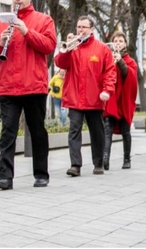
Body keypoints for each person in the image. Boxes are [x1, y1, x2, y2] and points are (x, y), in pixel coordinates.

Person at [0, 0, 57, 189]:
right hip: (8, 86)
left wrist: (27, 31)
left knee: (37, 131)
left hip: (33, 85)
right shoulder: (1, 24)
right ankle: (6, 177)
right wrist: (0, 43)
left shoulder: (43, 20)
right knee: (7, 132)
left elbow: (49, 45)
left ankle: (41, 174)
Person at [55, 16, 116, 177]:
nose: (80, 30)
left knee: (97, 132)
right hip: (74, 98)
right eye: (78, 26)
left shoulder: (102, 49)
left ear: (91, 29)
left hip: (94, 98)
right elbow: (60, 63)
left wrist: (107, 91)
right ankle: (75, 165)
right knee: (74, 131)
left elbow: (110, 72)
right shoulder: (72, 47)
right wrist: (66, 49)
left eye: (83, 27)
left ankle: (98, 163)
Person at [103, 31, 138, 170]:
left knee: (126, 131)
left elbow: (130, 76)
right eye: (115, 41)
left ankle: (126, 159)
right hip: (111, 100)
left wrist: (120, 61)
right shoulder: (107, 58)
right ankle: (105, 157)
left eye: (120, 41)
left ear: (125, 44)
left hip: (124, 101)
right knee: (107, 129)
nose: (118, 43)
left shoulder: (130, 61)